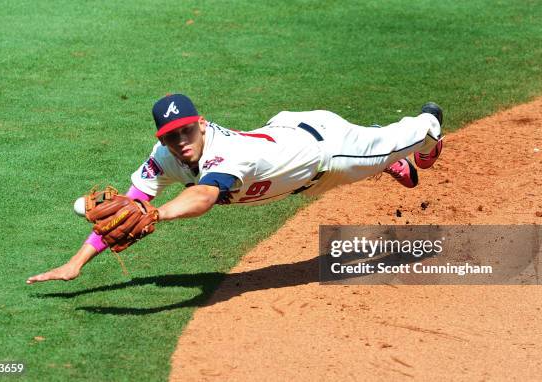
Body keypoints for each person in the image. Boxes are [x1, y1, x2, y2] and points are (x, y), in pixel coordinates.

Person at [26, 94, 443, 284]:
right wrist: (76, 262)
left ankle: (423, 136)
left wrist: (159, 214)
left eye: (187, 130)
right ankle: (390, 158)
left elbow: (204, 196)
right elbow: (128, 206)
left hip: (329, 152)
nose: (181, 141)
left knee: (407, 136)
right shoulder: (165, 155)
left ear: (201, 123)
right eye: (172, 136)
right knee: (345, 173)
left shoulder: (226, 155)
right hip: (289, 148)